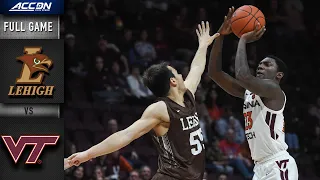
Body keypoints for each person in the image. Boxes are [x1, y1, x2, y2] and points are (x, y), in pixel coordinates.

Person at [65, 21, 220, 180]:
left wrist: (203, 45)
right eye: (177, 73)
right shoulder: (161, 109)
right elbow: (125, 135)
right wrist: (87, 154)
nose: (182, 75)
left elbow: (197, 69)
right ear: (173, 81)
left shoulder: (188, 95)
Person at [208, 7, 298, 180]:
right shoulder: (249, 92)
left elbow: (242, 75)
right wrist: (221, 35)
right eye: (260, 64)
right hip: (260, 167)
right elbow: (214, 73)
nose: (261, 66)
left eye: (267, 65)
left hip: (278, 164)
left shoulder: (274, 91)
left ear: (278, 75)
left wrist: (242, 39)